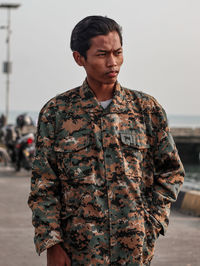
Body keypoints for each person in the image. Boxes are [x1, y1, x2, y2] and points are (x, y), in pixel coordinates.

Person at [28, 16, 185, 266]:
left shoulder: (146, 110)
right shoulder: (56, 113)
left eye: (118, 52)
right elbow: (44, 184)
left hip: (133, 252)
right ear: (79, 58)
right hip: (77, 251)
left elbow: (171, 172)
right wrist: (51, 242)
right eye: (102, 54)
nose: (113, 63)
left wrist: (152, 223)